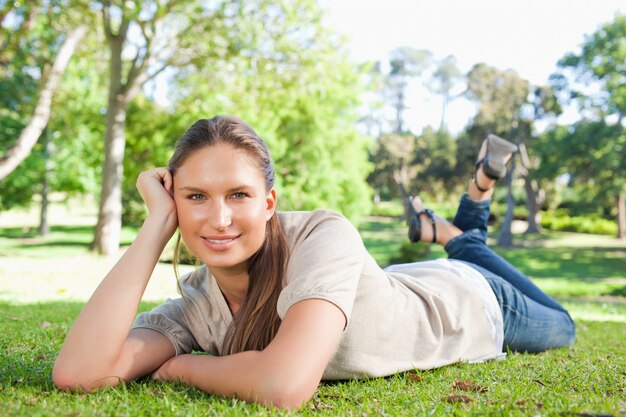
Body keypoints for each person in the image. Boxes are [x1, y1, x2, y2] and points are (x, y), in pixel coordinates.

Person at [52, 116, 575, 409]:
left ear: (269, 203)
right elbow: (79, 374)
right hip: (392, 286)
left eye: (238, 194)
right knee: (466, 244)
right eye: (194, 198)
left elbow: (283, 386)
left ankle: (456, 238)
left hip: (473, 301)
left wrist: (183, 367)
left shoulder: (322, 234)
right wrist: (154, 228)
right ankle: (459, 216)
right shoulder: (196, 303)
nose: (217, 219)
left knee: (566, 327)